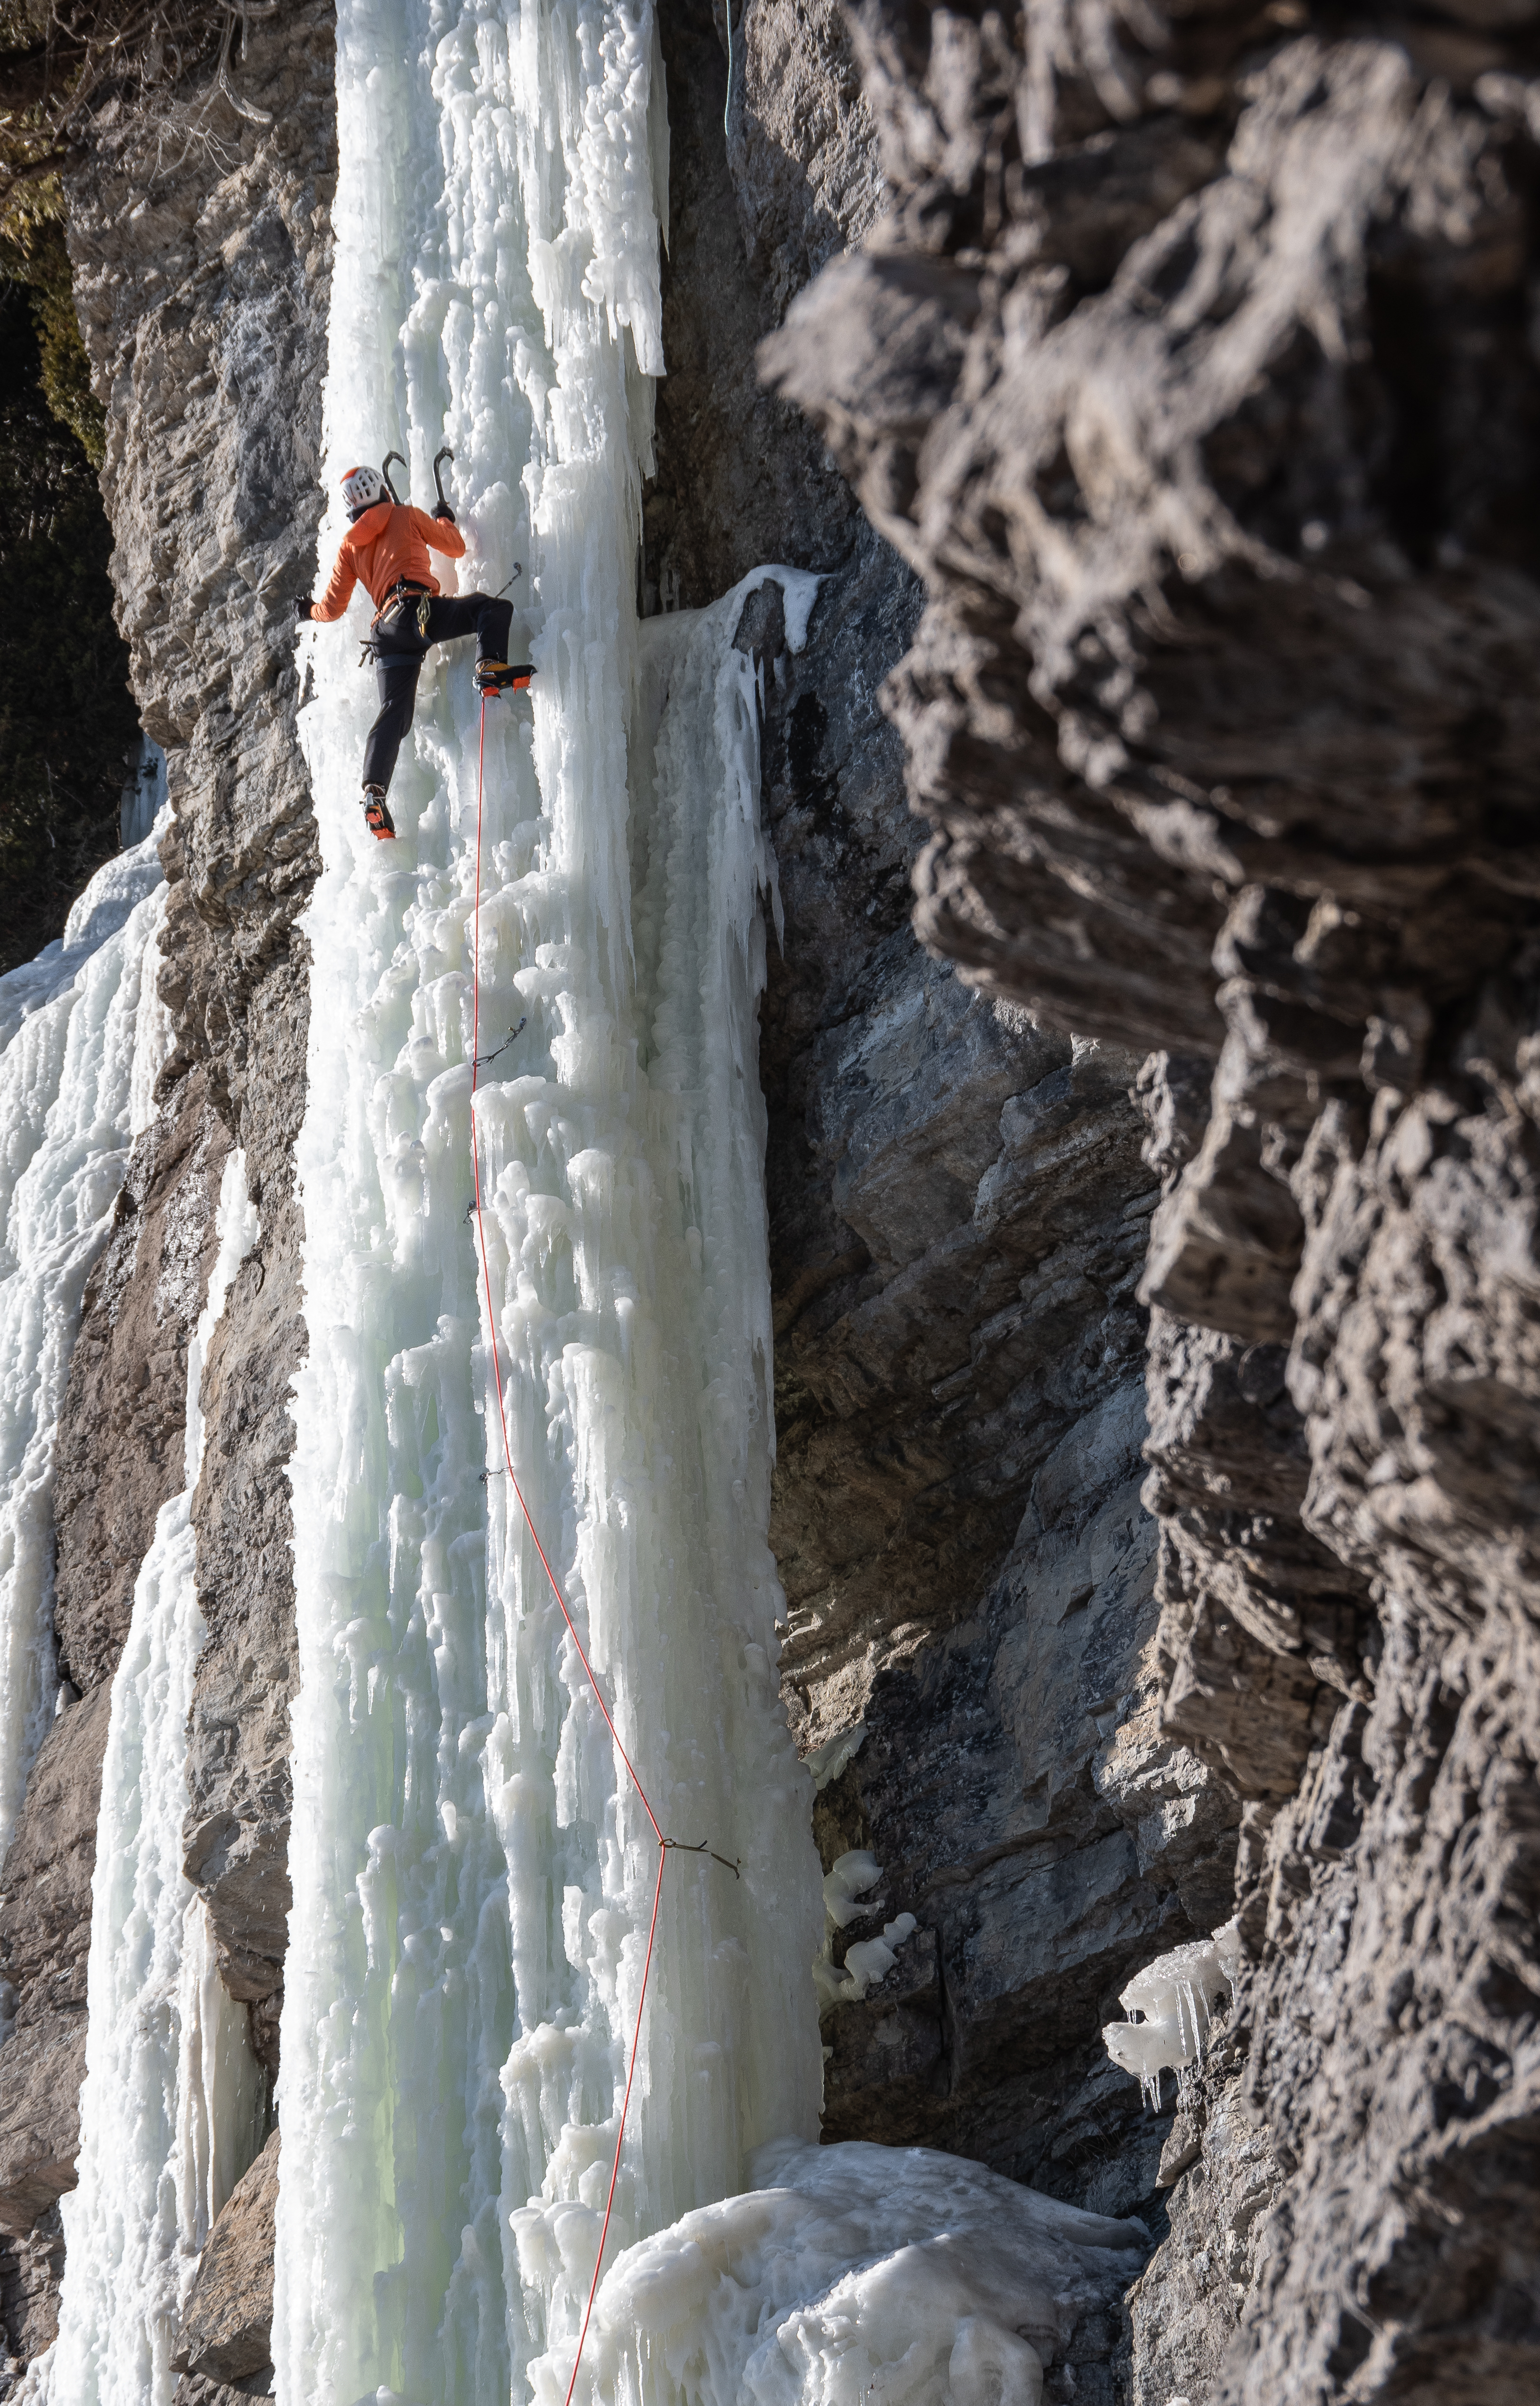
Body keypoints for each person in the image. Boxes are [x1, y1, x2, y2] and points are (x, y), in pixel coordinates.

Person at [295, 463, 534, 839]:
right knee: (491, 609)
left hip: (387, 636)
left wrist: (307, 610)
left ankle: (373, 791)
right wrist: (443, 519)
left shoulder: (349, 548)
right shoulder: (405, 515)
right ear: (383, 492)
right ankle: (488, 665)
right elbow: (454, 546)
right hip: (417, 612)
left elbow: (332, 609)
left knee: (394, 712)